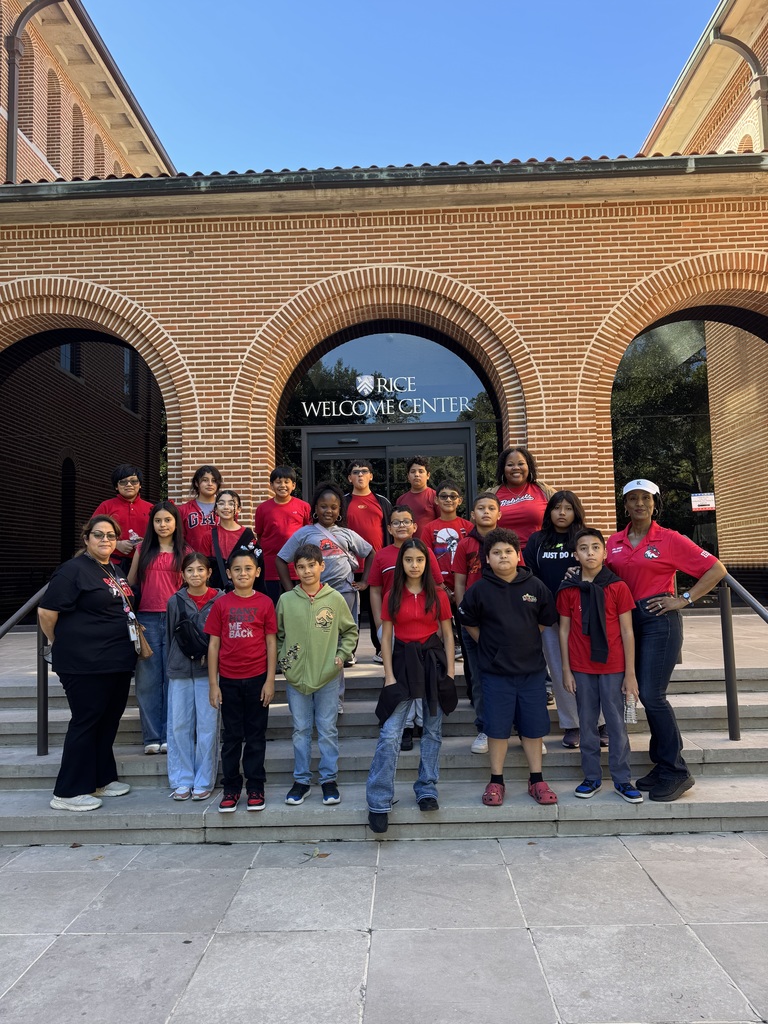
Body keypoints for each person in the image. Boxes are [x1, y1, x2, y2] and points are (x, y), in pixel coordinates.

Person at [607, 478, 726, 802]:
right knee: (644, 694)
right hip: (628, 622)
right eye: (633, 498)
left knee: (652, 694)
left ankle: (677, 771)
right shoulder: (614, 541)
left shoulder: (670, 538)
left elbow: (716, 569)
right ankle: (661, 766)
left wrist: (684, 598)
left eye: (646, 498)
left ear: (655, 504)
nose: (639, 504)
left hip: (659, 620)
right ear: (625, 505)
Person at [39, 515, 136, 811]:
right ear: (86, 538)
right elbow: (46, 612)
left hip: (115, 660)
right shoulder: (73, 570)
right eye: (99, 535)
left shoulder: (113, 568)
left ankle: (100, 779)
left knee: (107, 720)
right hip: (84, 662)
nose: (105, 540)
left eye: (111, 535)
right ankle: (68, 792)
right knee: (86, 721)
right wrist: (60, 641)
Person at [459, 527, 558, 806]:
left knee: (533, 727)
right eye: (496, 552)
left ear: (518, 556)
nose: (503, 556)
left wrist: (525, 640)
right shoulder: (479, 590)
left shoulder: (535, 586)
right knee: (497, 728)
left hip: (531, 672)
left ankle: (536, 779)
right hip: (496, 674)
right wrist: (489, 644)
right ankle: (496, 780)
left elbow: (544, 621)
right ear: (487, 558)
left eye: (508, 551)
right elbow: (468, 621)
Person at [366, 539, 456, 833]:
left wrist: (451, 673)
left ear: (427, 563)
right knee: (390, 733)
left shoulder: (438, 595)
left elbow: (448, 634)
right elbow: (386, 638)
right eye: (409, 560)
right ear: (401, 563)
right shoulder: (392, 595)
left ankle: (427, 788)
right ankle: (379, 799)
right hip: (402, 665)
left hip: (433, 664)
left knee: (432, 730)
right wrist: (388, 675)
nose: (414, 565)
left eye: (420, 560)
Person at [557, 528, 643, 803]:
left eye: (595, 547)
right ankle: (592, 776)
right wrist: (566, 670)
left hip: (614, 666)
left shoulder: (618, 587)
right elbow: (563, 631)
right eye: (583, 548)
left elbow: (627, 631)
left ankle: (622, 779)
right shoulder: (568, 589)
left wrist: (630, 673)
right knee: (586, 723)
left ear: (605, 553)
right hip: (581, 667)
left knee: (616, 724)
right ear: (575, 555)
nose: (590, 553)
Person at [275, 482, 373, 707]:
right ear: (315, 509)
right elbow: (281, 559)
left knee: (337, 646)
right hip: (312, 597)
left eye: (334, 507)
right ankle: (309, 690)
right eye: (323, 506)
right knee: (314, 642)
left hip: (343, 593)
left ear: (340, 511)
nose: (328, 511)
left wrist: (365, 581)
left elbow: (370, 552)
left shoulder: (347, 534)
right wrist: (291, 590)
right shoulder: (304, 533)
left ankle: (335, 699)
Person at [524, 490, 607, 750]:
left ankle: (601, 722)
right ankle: (573, 724)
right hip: (550, 616)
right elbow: (529, 575)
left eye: (568, 508)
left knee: (590, 667)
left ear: (576, 512)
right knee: (561, 669)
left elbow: (600, 569)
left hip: (585, 614)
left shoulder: (584, 538)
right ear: (549, 511)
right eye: (557, 507)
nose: (562, 513)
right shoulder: (537, 540)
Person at [277, 543, 357, 806]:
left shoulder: (335, 599)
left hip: (327, 676)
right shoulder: (286, 601)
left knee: (327, 729)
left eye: (312, 565)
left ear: (322, 566)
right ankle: (301, 780)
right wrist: (284, 661)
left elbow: (350, 631)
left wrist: (341, 656)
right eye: (301, 567)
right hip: (296, 678)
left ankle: (328, 779)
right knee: (300, 729)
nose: (307, 571)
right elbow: (278, 636)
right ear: (295, 570)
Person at [206, 547, 277, 812]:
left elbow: (271, 643)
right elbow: (214, 645)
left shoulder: (265, 603)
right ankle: (231, 788)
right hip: (229, 681)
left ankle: (256, 786)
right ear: (229, 573)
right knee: (232, 737)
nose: (243, 573)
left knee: (256, 736)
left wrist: (270, 680)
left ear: (257, 572)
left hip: (257, 679)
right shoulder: (221, 604)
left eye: (248, 568)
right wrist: (213, 684)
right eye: (237, 569)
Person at [369, 505, 443, 750]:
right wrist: (380, 623)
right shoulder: (382, 555)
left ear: (414, 526)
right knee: (399, 676)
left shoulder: (425, 553)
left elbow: (436, 587)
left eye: (406, 521)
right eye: (396, 522)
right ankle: (406, 727)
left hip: (422, 627)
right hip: (393, 624)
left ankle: (421, 722)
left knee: (422, 676)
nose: (401, 525)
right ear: (389, 528)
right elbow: (376, 591)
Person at [128, 501, 189, 754]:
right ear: (152, 524)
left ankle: (169, 735)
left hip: (176, 620)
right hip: (147, 620)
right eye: (158, 520)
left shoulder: (185, 551)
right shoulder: (142, 549)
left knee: (172, 678)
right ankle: (152, 737)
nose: (163, 525)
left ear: (176, 523)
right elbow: (130, 582)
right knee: (147, 680)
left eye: (167, 520)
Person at [165, 552, 222, 801]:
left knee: (208, 726)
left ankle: (204, 779)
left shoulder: (220, 600)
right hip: (179, 671)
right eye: (190, 570)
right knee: (179, 726)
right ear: (183, 574)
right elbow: (169, 636)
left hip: (208, 673)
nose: (195, 574)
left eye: (200, 569)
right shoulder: (174, 601)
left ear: (209, 573)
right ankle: (182, 779)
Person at [453, 492, 503, 753]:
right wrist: (463, 614)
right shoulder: (465, 545)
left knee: (511, 675)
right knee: (479, 676)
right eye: (481, 508)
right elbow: (459, 582)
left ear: (499, 514)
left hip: (504, 621)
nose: (486, 512)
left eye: (491, 508)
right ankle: (484, 727)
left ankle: (519, 727)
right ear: (472, 515)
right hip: (473, 621)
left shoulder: (508, 542)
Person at [343, 460, 393, 662]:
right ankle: (348, 651)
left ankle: (381, 648)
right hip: (350, 566)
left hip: (377, 566)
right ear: (350, 478)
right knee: (349, 611)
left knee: (377, 611)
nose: (360, 475)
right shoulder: (343, 502)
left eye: (364, 471)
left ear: (371, 476)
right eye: (355, 472)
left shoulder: (382, 502)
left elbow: (390, 532)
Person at [253, 466, 312, 605]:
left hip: (297, 568)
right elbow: (260, 536)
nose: (282, 485)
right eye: (278, 482)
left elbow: (308, 534)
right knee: (273, 606)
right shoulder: (262, 509)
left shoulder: (304, 506)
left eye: (287, 482)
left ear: (294, 485)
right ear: (271, 485)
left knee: (298, 606)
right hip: (271, 568)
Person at [92, 463, 153, 571]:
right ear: (116, 486)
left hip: (145, 563)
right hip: (112, 563)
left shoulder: (151, 508)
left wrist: (146, 543)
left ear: (140, 485)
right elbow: (92, 533)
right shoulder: (106, 506)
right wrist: (116, 544)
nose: (129, 485)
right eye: (123, 482)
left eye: (134, 481)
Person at [492, 446, 554, 549]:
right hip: (504, 553)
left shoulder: (545, 491)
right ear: (503, 469)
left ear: (529, 466)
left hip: (539, 552)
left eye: (521, 464)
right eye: (510, 465)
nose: (516, 468)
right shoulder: (493, 494)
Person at [199, 489, 256, 590]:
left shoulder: (247, 535)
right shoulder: (208, 536)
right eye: (221, 503)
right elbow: (203, 566)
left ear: (238, 509)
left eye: (231, 504)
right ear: (216, 509)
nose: (226, 507)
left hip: (243, 588)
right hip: (216, 590)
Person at [178, 465, 223, 549]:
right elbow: (179, 540)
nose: (210, 484)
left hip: (220, 556)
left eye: (214, 481)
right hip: (194, 556)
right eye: (205, 480)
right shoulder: (183, 510)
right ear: (196, 483)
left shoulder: (225, 509)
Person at [394, 455, 439, 534]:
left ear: (428, 475)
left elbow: (442, 522)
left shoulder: (436, 497)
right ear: (408, 476)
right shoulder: (401, 500)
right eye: (413, 472)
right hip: (406, 541)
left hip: (429, 541)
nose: (416, 474)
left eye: (421, 471)